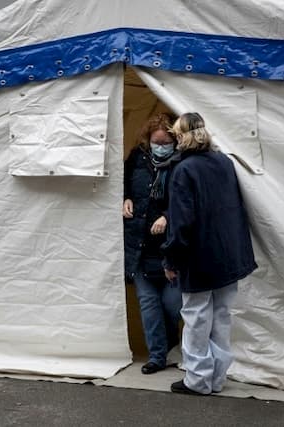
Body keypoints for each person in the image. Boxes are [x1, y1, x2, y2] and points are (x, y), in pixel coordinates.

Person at [161, 112, 257, 395]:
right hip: (229, 254)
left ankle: (198, 379)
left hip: (199, 257)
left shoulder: (184, 170)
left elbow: (181, 223)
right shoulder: (225, 162)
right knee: (222, 317)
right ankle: (216, 378)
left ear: (181, 137)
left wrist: (171, 259)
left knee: (196, 318)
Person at [123, 112, 182, 375]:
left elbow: (189, 202)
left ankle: (170, 346)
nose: (161, 146)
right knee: (148, 306)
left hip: (171, 250)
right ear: (148, 140)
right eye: (156, 142)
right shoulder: (137, 158)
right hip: (140, 247)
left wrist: (168, 217)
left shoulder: (182, 164)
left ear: (176, 141)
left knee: (172, 306)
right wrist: (124, 198)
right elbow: (122, 183)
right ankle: (157, 357)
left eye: (165, 142)